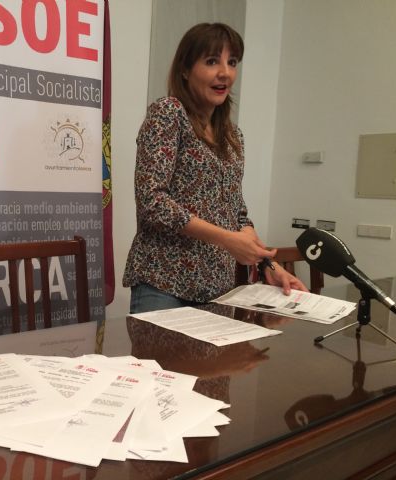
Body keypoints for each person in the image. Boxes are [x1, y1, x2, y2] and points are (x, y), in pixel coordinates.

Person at [123, 22, 307, 314]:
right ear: (185, 70)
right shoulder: (168, 113)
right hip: (164, 282)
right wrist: (229, 240)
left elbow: (236, 212)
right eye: (212, 61)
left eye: (231, 62)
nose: (225, 72)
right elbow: (152, 202)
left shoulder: (233, 136)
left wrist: (267, 265)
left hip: (216, 288)